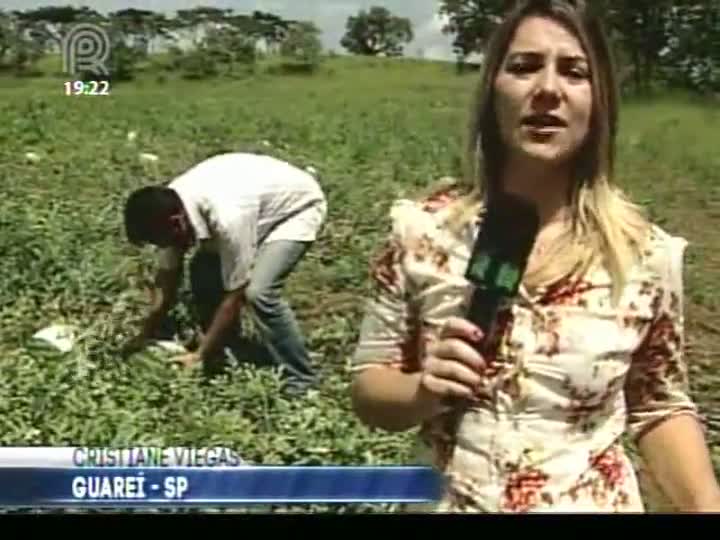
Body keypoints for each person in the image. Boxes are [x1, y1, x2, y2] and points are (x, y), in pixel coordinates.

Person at [350, 0, 720, 512]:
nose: (547, 89)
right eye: (524, 67)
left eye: (574, 71)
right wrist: (421, 390)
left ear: (599, 102)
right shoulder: (423, 232)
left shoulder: (645, 256)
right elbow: (370, 388)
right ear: (492, 92)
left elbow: (658, 406)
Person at [122, 152, 326, 396]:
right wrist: (145, 333)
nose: (163, 246)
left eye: (162, 241)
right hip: (254, 199)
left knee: (260, 292)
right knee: (203, 272)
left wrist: (199, 355)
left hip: (296, 208)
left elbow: (235, 294)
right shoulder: (168, 209)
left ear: (176, 223)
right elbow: (167, 278)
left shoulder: (228, 216)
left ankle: (301, 381)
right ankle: (227, 347)